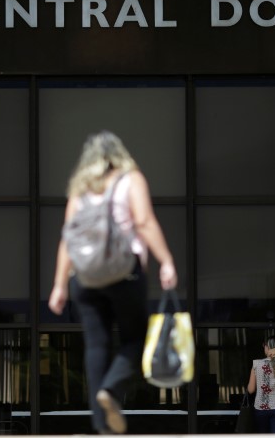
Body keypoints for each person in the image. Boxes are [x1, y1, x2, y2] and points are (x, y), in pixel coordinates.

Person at [48, 130, 178, 435]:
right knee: (137, 338)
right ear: (119, 154)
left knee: (96, 345)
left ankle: (101, 426)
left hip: (86, 277)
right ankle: (111, 389)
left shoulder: (79, 190)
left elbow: (67, 239)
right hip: (124, 272)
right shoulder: (130, 179)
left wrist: (59, 285)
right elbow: (144, 222)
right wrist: (166, 260)